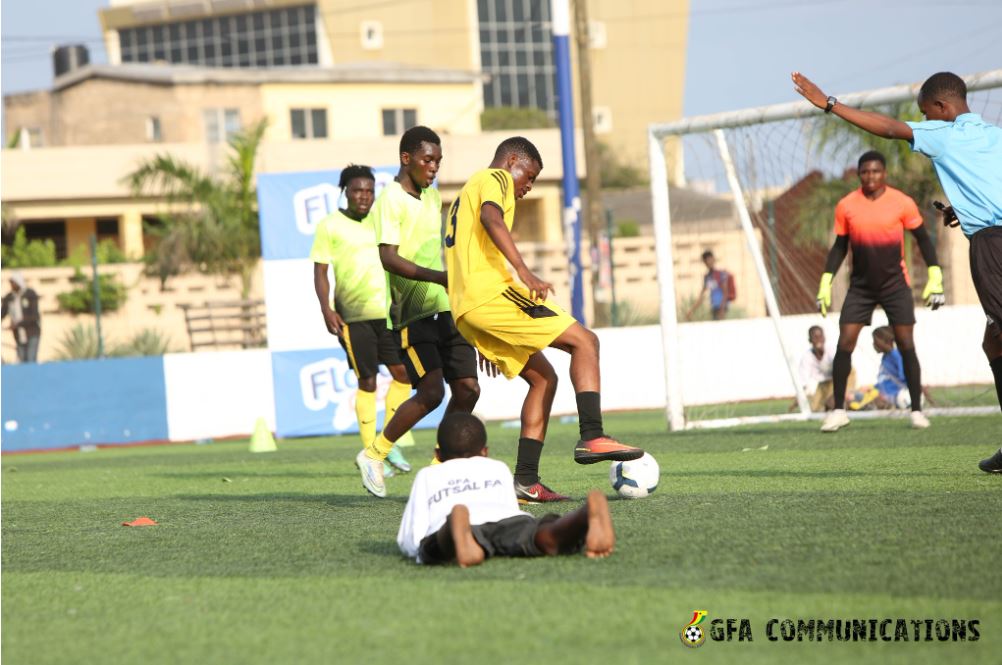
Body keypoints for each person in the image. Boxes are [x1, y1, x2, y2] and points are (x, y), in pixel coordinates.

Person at [793, 71, 1002, 470]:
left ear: (942, 107)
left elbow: (891, 129)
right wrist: (969, 208)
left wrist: (831, 105)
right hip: (991, 234)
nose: (924, 122)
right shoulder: (994, 136)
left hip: (992, 248)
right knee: (994, 343)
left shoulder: (948, 132)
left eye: (926, 114)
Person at [443, 136, 644, 504]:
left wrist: (483, 327)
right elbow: (491, 217)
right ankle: (593, 435)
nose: (528, 187)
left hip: (469, 309)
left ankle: (526, 481)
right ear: (512, 161)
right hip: (491, 295)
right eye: (529, 176)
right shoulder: (495, 178)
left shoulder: (463, 193)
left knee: (543, 378)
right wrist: (524, 272)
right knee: (585, 341)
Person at [355, 126, 481, 497]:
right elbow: (388, 258)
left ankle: (439, 467)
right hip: (412, 312)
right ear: (406, 158)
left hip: (447, 306)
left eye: (439, 161)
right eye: (428, 159)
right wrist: (438, 278)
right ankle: (375, 454)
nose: (434, 167)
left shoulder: (433, 197)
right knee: (431, 392)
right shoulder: (389, 201)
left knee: (469, 389)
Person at [809, 150, 941, 433]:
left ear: (884, 174)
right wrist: (825, 282)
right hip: (861, 288)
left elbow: (923, 239)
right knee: (845, 344)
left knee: (906, 345)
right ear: (859, 175)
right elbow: (839, 247)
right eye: (865, 172)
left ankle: (917, 410)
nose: (870, 176)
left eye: (875, 171)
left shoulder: (901, 202)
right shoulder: (847, 205)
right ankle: (838, 412)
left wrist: (935, 273)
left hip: (895, 286)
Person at [396, 412, 616, 567]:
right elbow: (511, 509)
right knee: (543, 537)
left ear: (438, 455)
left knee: (435, 545)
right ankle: (582, 516)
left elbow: (412, 534)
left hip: (464, 525)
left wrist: (420, 549)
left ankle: (455, 526)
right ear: (485, 452)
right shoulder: (496, 467)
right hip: (509, 519)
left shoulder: (428, 474)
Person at [311, 164, 414, 475]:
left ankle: (384, 444)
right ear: (345, 192)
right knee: (367, 380)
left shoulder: (380, 223)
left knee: (404, 376)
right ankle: (374, 456)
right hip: (353, 318)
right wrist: (326, 309)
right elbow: (320, 271)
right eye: (357, 190)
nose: (364, 196)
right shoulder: (330, 226)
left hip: (386, 315)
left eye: (369, 190)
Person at [848, 326, 934, 411]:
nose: (873, 344)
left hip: (895, 395)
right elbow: (885, 379)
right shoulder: (885, 357)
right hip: (882, 393)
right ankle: (863, 404)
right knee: (852, 395)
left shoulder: (896, 356)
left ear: (885, 342)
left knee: (865, 399)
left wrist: (921, 391)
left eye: (875, 341)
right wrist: (874, 387)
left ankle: (874, 405)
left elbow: (908, 377)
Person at [797, 325, 856, 412]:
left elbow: (843, 367)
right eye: (815, 337)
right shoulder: (807, 357)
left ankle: (854, 402)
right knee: (815, 410)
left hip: (845, 375)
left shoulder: (832, 350)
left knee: (834, 401)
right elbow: (804, 380)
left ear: (824, 338)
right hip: (825, 382)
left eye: (820, 336)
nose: (818, 340)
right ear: (810, 340)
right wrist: (801, 396)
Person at [1, 271, 41, 363]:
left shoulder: (30, 294)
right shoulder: (9, 297)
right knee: (22, 360)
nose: (11, 285)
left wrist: (18, 324)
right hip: (18, 335)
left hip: (32, 332)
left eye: (13, 282)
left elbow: (34, 316)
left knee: (30, 359)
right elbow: (2, 313)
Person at [686, 250, 731, 320]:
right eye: (706, 260)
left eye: (710, 259)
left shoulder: (720, 274)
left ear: (713, 259)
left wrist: (722, 309)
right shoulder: (707, 277)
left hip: (722, 308)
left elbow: (725, 293)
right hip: (714, 308)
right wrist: (691, 311)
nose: (708, 262)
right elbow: (702, 297)